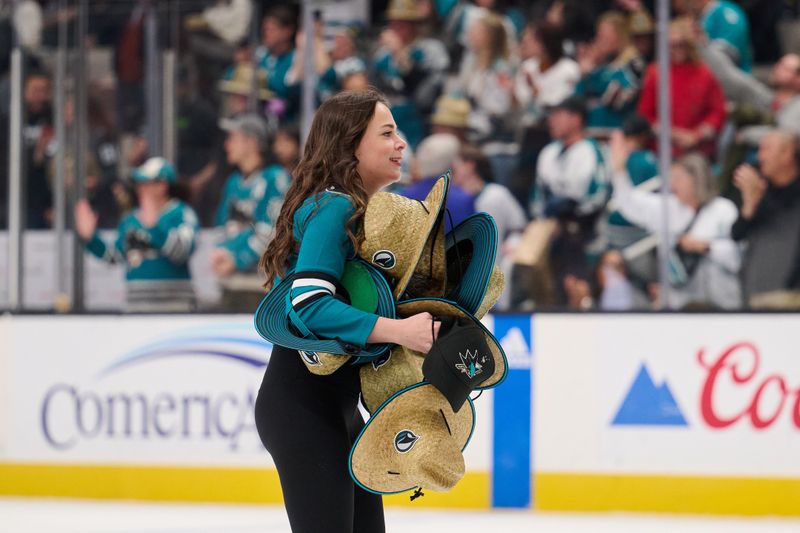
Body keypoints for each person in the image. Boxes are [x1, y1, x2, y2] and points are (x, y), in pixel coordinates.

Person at [254, 88, 441, 533]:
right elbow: (309, 306)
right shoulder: (334, 205)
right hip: (303, 409)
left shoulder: (361, 214)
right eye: (388, 133)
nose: (401, 144)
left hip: (338, 412)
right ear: (351, 143)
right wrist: (398, 330)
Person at [609, 131, 742, 309]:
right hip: (680, 303)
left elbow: (737, 254)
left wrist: (705, 246)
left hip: (720, 300)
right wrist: (619, 170)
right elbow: (630, 204)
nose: (672, 185)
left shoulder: (723, 209)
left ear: (696, 178)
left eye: (678, 178)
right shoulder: (669, 208)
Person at [74, 157, 199, 312]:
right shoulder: (131, 219)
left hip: (175, 308)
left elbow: (182, 251)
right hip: (137, 308)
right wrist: (90, 239)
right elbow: (115, 254)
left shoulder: (181, 213)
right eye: (139, 184)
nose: (140, 189)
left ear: (162, 186)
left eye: (145, 183)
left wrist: (154, 228)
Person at [211, 114, 290, 311]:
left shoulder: (275, 179)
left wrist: (236, 260)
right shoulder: (233, 182)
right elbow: (222, 226)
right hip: (231, 283)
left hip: (263, 287)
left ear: (251, 142)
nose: (227, 145)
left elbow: (272, 230)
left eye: (233, 138)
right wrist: (222, 253)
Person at [638, 17, 726, 159]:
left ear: (689, 45)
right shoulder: (655, 73)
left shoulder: (705, 73)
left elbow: (718, 112)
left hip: (698, 149)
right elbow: (645, 115)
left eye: (680, 45)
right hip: (662, 149)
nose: (675, 50)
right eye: (671, 45)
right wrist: (672, 134)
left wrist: (697, 135)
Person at [732, 130, 800, 307]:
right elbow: (737, 234)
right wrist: (750, 203)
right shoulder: (760, 190)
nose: (760, 157)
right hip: (758, 294)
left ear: (787, 154)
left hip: (792, 296)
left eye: (766, 150)